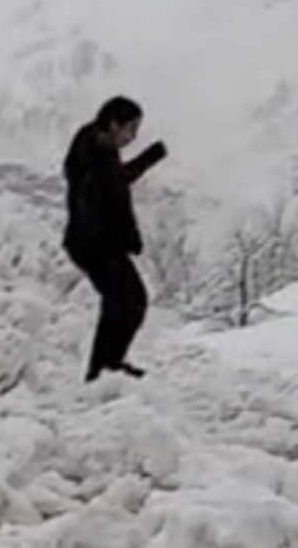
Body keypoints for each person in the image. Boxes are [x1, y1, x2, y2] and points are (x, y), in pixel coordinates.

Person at [63, 96, 168, 382]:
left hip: (94, 243)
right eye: (131, 129)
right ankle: (103, 369)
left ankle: (106, 366)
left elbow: (116, 183)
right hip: (95, 244)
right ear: (113, 124)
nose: (133, 136)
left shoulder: (97, 148)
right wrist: (126, 237)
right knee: (128, 301)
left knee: (125, 302)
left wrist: (148, 158)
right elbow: (109, 198)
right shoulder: (96, 157)